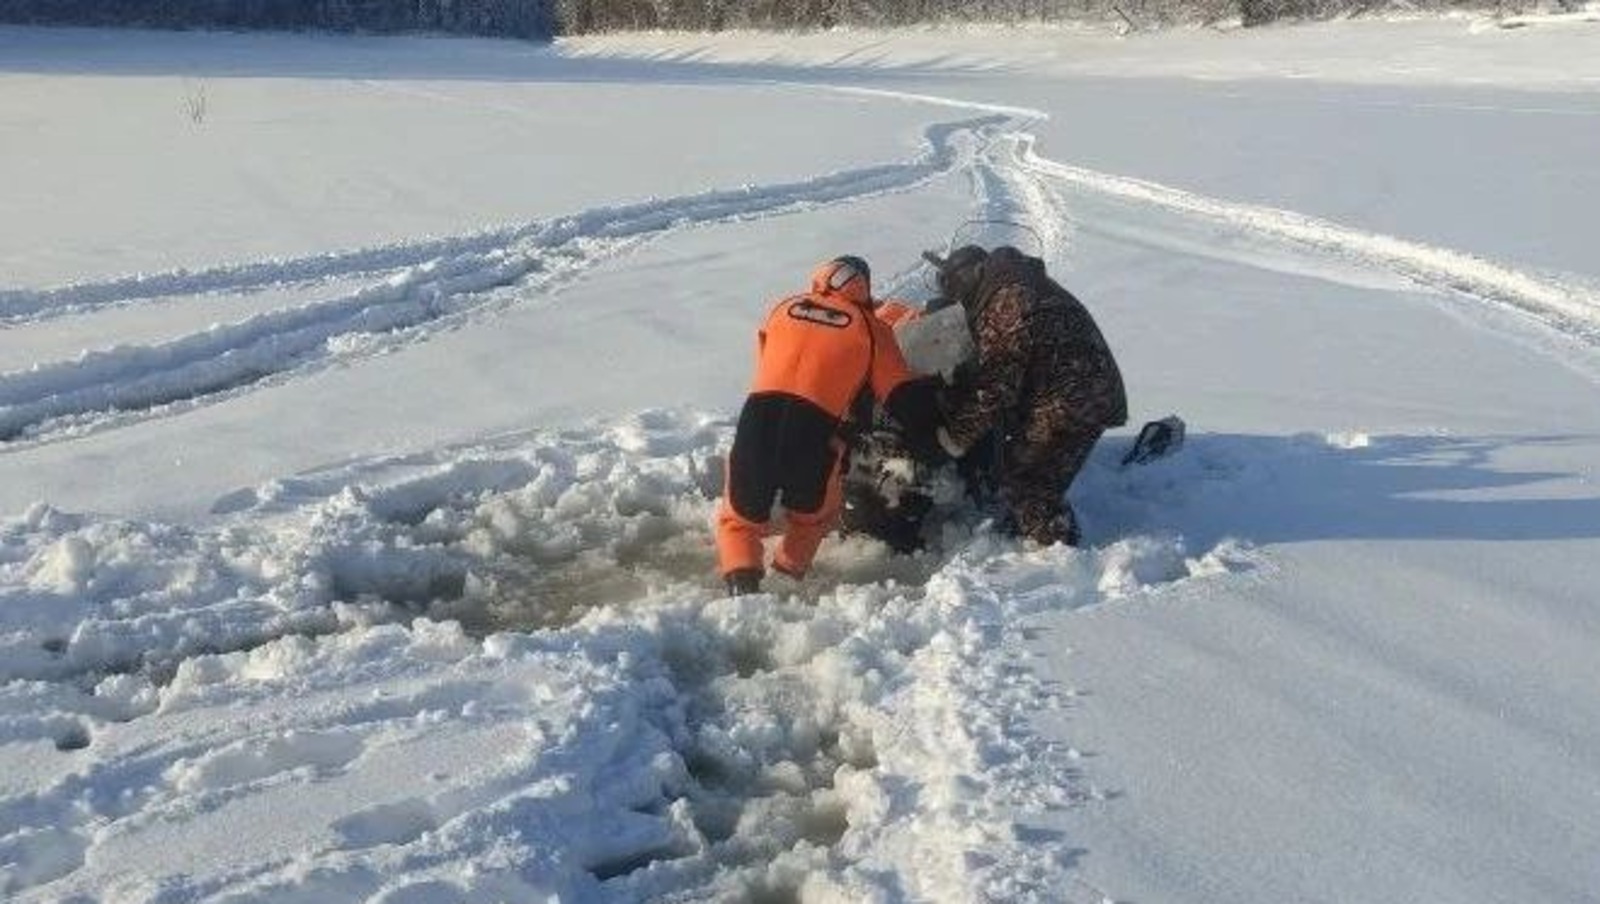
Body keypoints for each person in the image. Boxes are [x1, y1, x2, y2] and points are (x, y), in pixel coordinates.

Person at [716, 256, 942, 596]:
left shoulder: (783, 308)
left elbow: (768, 359)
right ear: (863, 287)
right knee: (812, 518)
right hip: (813, 433)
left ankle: (740, 588)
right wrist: (933, 427)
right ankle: (786, 581)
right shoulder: (871, 327)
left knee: (739, 519)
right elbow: (899, 395)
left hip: (757, 421)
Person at [924, 244, 1127, 547]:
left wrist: (956, 437)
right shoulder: (1021, 282)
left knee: (1024, 480)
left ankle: (1057, 550)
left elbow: (996, 386)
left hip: (1069, 400)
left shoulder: (1005, 302)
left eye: (957, 288)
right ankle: (1035, 527)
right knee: (1033, 464)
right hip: (1087, 391)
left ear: (969, 278)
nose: (960, 300)